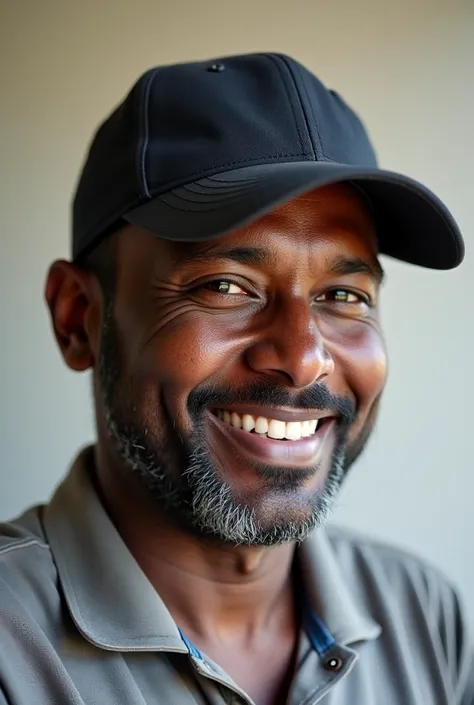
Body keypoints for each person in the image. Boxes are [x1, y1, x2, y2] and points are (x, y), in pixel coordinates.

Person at [0, 53, 471, 705]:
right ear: (80, 318)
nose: (304, 358)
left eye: (343, 295)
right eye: (226, 286)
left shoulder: (427, 618)